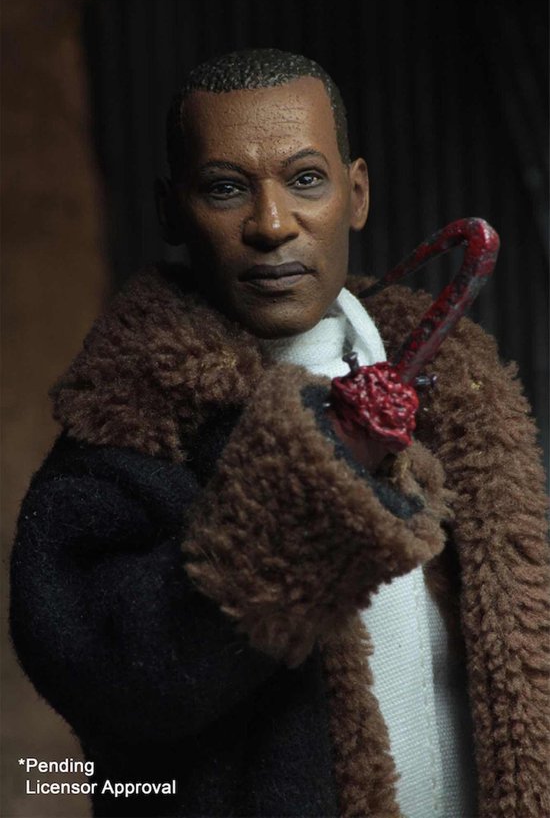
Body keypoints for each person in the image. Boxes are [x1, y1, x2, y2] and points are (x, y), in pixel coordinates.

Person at [10, 49, 549, 818]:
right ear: (171, 211)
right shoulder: (132, 425)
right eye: (225, 188)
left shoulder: (458, 390)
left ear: (355, 194)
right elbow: (108, 677)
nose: (270, 224)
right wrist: (307, 495)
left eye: (305, 179)